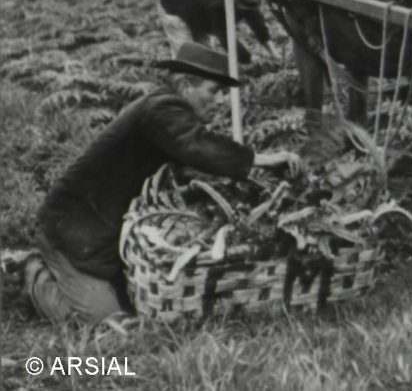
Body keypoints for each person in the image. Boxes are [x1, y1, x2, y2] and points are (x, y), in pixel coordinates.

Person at [24, 42, 300, 326]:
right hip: (71, 230)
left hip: (102, 229)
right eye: (213, 91)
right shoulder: (162, 108)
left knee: (132, 308)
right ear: (185, 84)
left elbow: (190, 157)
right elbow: (198, 147)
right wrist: (261, 160)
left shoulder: (166, 110)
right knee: (104, 326)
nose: (218, 101)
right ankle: (35, 274)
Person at [158, 0, 276, 65]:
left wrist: (274, 53)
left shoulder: (249, 1)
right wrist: (248, 60)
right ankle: (182, 84)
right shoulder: (216, 4)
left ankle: (203, 83)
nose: (245, 12)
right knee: (185, 55)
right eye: (241, 9)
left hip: (197, 9)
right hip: (174, 5)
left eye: (248, 10)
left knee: (205, 55)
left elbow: (260, 29)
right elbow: (225, 37)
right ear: (233, 3)